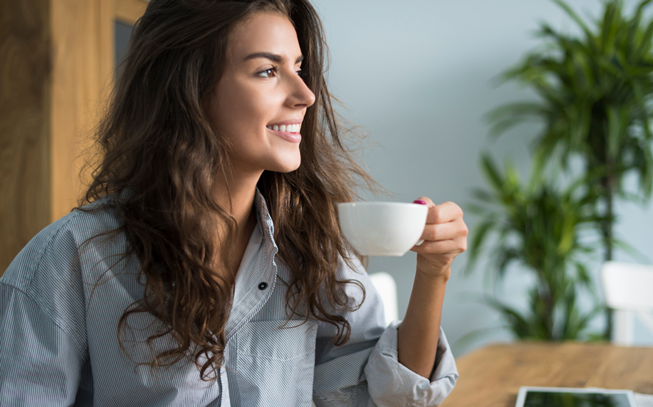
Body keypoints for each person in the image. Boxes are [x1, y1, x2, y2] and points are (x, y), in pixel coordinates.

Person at [0, 0, 467, 405]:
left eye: (299, 68)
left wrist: (433, 272)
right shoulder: (67, 262)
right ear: (189, 88)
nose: (305, 94)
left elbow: (383, 395)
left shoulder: (314, 245)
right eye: (268, 70)